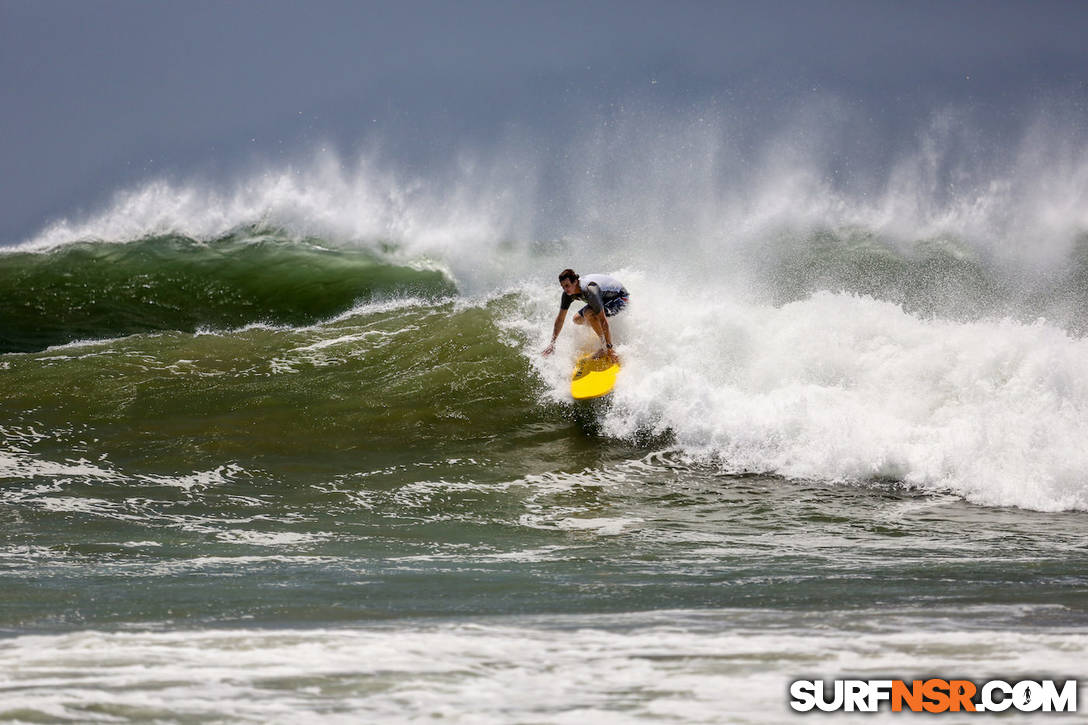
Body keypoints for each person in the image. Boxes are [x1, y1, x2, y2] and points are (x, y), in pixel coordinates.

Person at [541, 269, 629, 358]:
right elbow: (560, 318)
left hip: (620, 298)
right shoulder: (567, 294)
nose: (565, 289)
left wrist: (609, 348)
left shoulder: (590, 290)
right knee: (577, 319)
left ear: (575, 281)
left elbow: (603, 320)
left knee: (588, 313)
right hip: (603, 298)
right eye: (563, 287)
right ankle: (604, 334)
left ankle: (605, 347)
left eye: (567, 285)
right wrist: (552, 343)